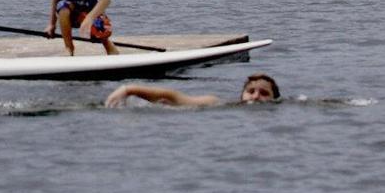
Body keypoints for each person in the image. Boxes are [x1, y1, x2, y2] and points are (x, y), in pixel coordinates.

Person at [104, 72, 281, 108]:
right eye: (251, 91)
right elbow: (173, 96)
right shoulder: (216, 103)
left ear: (275, 99)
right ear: (242, 94)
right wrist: (128, 89)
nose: (256, 96)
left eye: (264, 93)